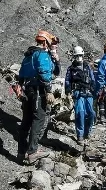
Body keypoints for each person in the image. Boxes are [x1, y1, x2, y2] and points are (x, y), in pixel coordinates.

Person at [17, 30, 60, 164]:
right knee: (38, 120)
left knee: (26, 121)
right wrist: (48, 90)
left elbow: (21, 75)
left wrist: (56, 60)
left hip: (28, 91)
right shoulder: (42, 54)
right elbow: (44, 72)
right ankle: (32, 152)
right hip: (38, 91)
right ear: (46, 42)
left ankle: (21, 152)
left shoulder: (28, 55)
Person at [65, 46, 96, 146]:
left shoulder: (87, 67)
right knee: (80, 113)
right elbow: (67, 80)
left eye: (80, 55)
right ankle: (80, 135)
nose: (79, 57)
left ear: (83, 55)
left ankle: (88, 132)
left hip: (88, 93)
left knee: (91, 113)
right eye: (77, 56)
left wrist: (94, 89)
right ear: (74, 56)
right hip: (77, 93)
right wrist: (68, 92)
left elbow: (92, 79)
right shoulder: (71, 69)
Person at [93, 58, 105, 124]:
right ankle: (102, 117)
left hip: (94, 90)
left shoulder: (92, 72)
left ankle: (94, 119)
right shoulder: (102, 73)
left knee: (94, 105)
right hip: (101, 90)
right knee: (101, 103)